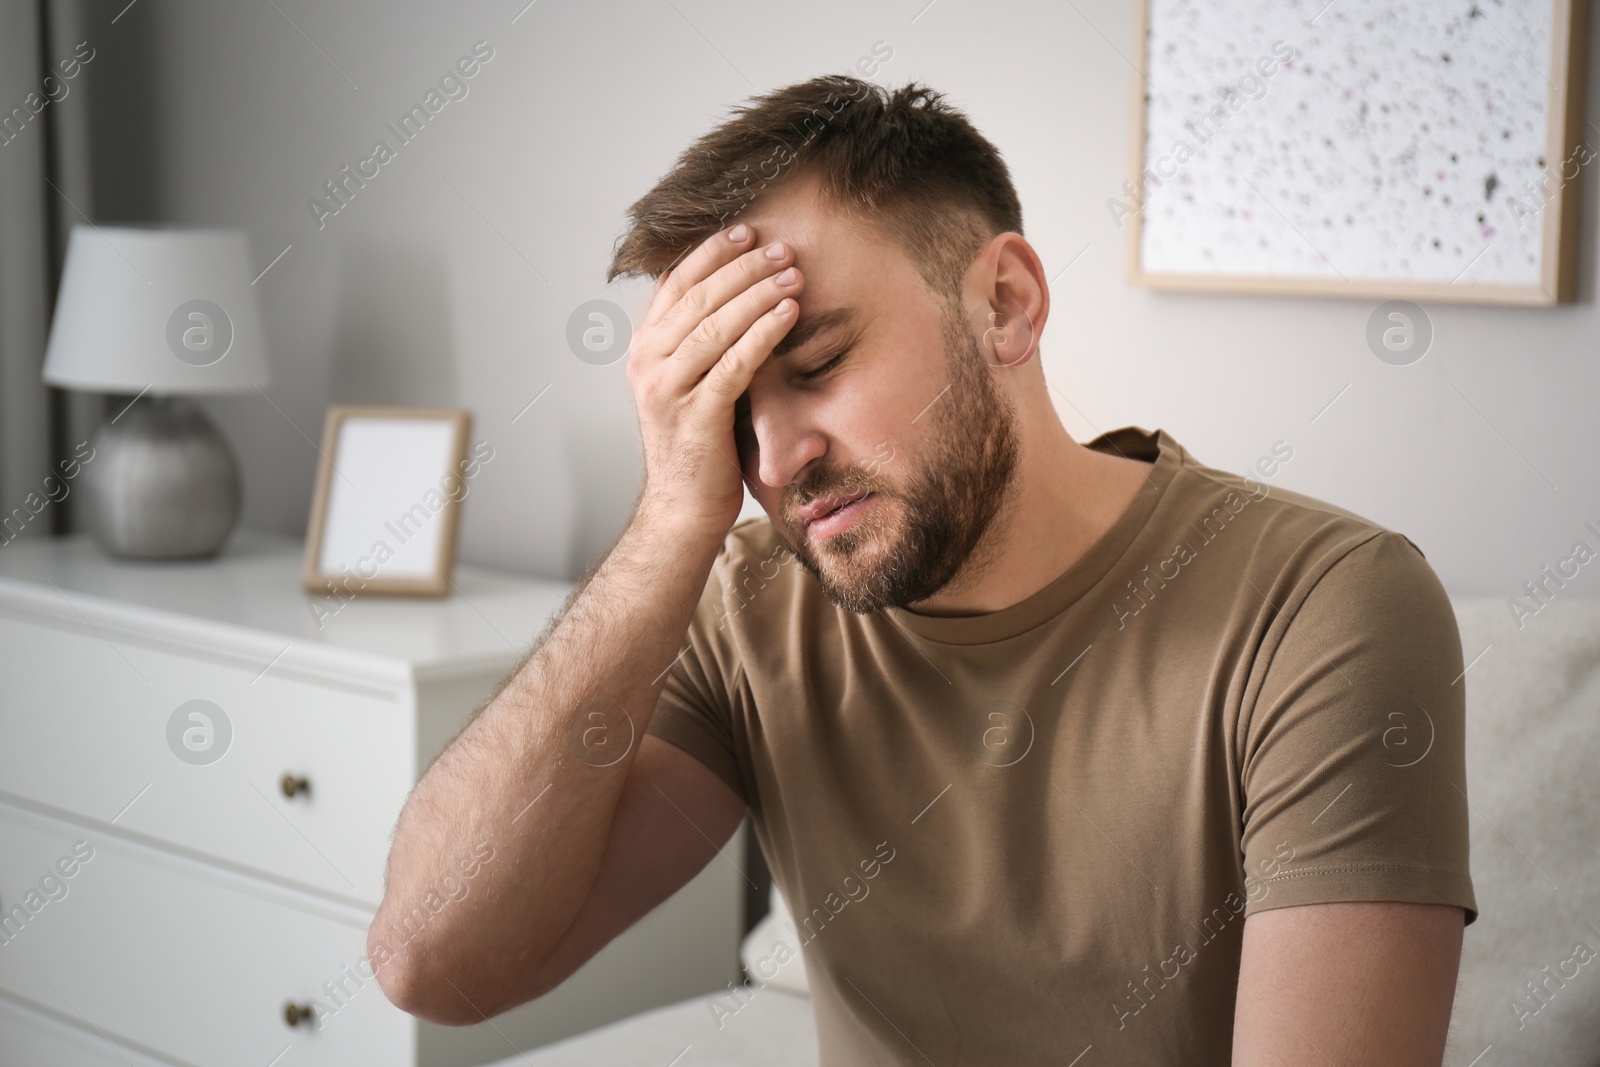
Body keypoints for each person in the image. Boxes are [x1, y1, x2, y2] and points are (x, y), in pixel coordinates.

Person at [369, 75, 1476, 1065]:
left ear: (1005, 304)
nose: (771, 460)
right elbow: (435, 964)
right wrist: (668, 523)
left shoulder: (1325, 607)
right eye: (726, 414)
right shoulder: (749, 608)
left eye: (815, 364)